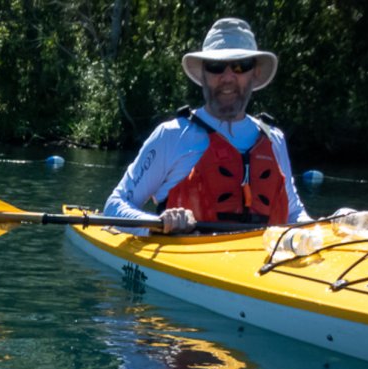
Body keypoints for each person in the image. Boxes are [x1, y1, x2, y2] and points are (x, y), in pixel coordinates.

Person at [104, 18, 310, 234]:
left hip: (263, 254)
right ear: (203, 74)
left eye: (240, 66)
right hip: (185, 253)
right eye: (216, 66)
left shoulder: (274, 139)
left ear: (255, 72)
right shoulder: (172, 135)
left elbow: (295, 214)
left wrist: (326, 227)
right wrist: (156, 223)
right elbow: (114, 206)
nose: (228, 77)